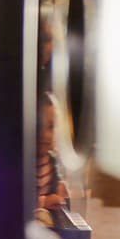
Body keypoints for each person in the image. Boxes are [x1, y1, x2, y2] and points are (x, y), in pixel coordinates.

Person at [36, 92, 69, 225]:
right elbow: (13, 200)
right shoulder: (21, 163)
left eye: (51, 127)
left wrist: (61, 191)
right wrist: (43, 201)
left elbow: (57, 189)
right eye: (39, 126)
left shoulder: (52, 161)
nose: (45, 134)